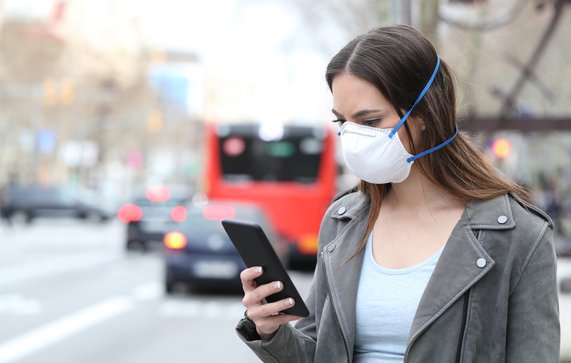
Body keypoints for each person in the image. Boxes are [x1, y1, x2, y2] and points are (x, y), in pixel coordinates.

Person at [236, 25, 560, 362]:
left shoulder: (520, 234)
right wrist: (270, 331)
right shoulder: (342, 219)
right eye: (343, 123)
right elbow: (319, 352)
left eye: (370, 121)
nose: (354, 139)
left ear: (423, 114)